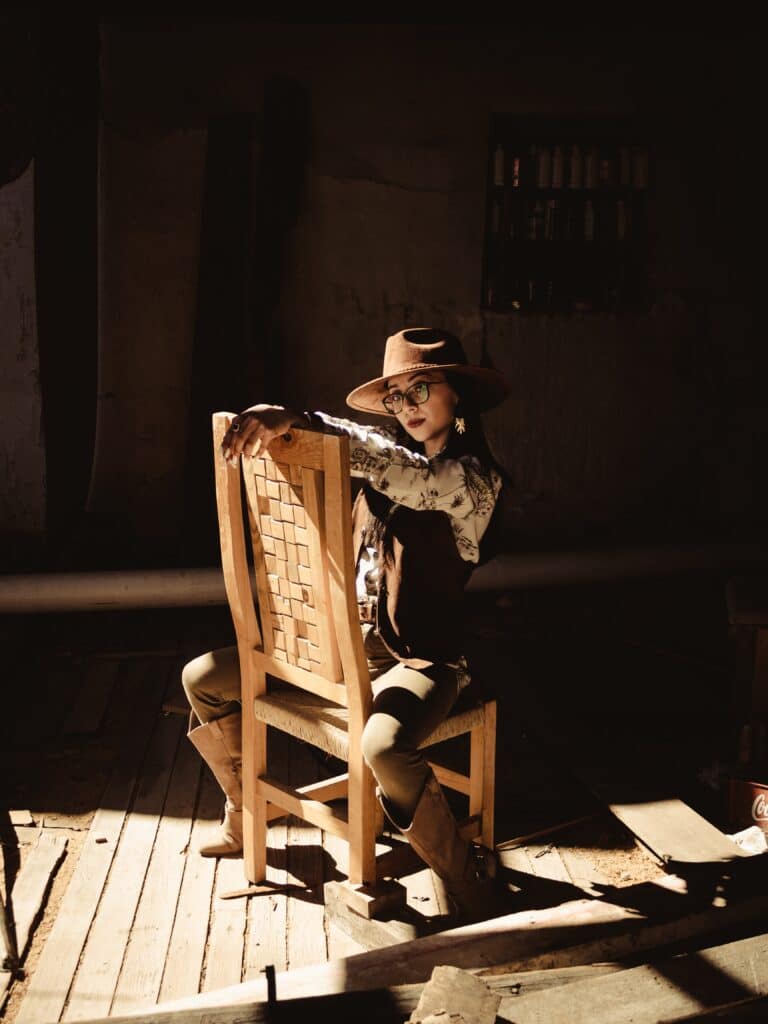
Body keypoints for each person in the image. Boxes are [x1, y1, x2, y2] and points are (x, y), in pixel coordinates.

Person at [182, 326, 511, 919]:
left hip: (424, 658)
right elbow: (370, 446)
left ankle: (465, 878)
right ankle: (242, 811)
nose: (406, 406)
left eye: (421, 389)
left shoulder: (473, 480)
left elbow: (401, 472)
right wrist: (295, 423)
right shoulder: (386, 460)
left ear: (456, 393)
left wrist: (305, 422)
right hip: (342, 650)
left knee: (383, 744)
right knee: (202, 678)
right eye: (396, 396)